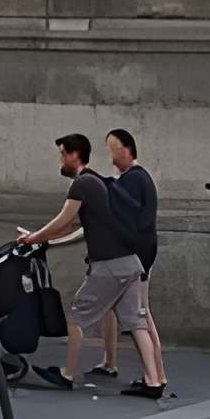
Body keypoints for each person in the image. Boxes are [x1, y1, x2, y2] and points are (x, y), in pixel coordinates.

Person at [18, 132, 167, 402]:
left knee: (77, 315)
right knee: (136, 321)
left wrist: (34, 237)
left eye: (62, 154)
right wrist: (43, 238)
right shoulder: (98, 182)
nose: (61, 160)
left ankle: (68, 374)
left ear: (75, 155)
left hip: (109, 264)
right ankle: (153, 381)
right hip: (131, 262)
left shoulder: (81, 185)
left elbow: (65, 220)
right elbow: (76, 226)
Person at [89, 130, 164, 386]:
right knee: (140, 316)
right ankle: (154, 375)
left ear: (127, 149)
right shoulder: (139, 179)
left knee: (138, 318)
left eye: (113, 149)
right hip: (140, 256)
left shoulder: (132, 181)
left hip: (133, 258)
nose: (111, 157)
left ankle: (153, 378)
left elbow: (121, 220)